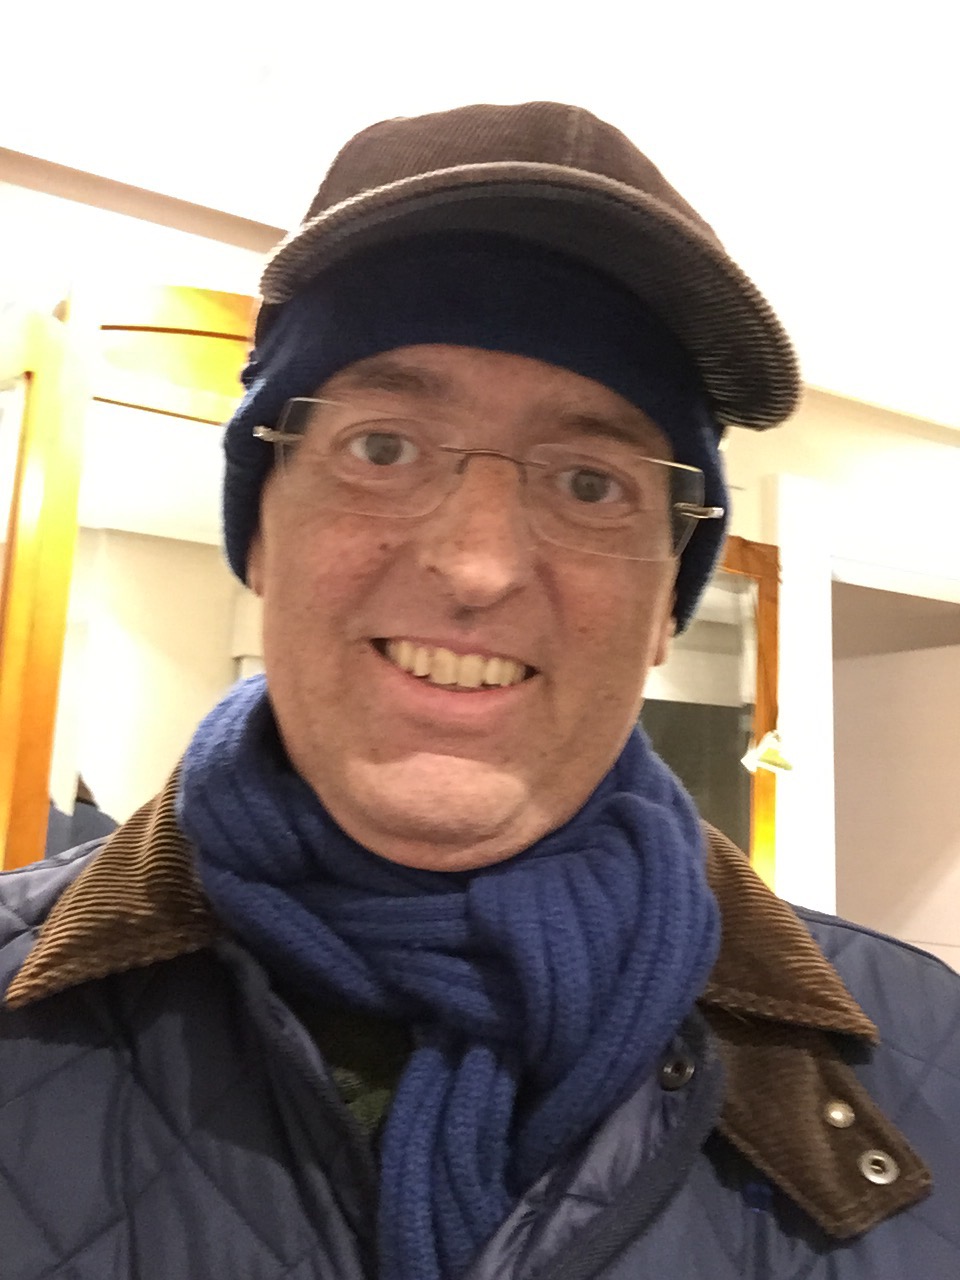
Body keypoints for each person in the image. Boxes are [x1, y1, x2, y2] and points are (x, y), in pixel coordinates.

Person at [1, 101, 957, 1280]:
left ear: (668, 598)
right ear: (261, 528)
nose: (477, 564)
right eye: (383, 446)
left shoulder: (930, 1057)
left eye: (590, 482)